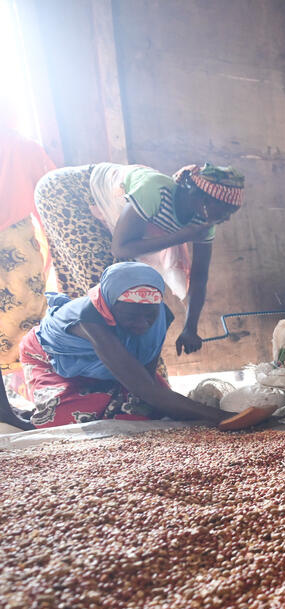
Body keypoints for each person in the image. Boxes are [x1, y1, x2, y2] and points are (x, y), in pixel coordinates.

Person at [34, 162, 245, 355]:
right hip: (68, 192)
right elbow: (121, 248)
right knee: (103, 288)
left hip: (101, 208)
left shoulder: (205, 220)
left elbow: (199, 277)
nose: (226, 218)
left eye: (232, 212)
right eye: (225, 210)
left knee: (129, 291)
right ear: (201, 198)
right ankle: (113, 366)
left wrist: (190, 327)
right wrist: (183, 236)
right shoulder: (154, 191)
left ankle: (133, 367)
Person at [17, 262, 230, 427]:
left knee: (145, 408)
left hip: (114, 363)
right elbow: (147, 389)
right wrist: (224, 418)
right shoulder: (90, 319)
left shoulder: (161, 315)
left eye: (149, 315)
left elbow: (146, 380)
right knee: (71, 419)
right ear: (111, 305)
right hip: (52, 362)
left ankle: (102, 393)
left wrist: (153, 396)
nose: (142, 324)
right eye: (131, 316)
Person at [0, 122, 57, 430]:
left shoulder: (22, 146)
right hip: (15, 244)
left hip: (16, 245)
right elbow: (46, 195)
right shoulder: (23, 146)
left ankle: (6, 410)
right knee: (29, 324)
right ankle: (10, 411)